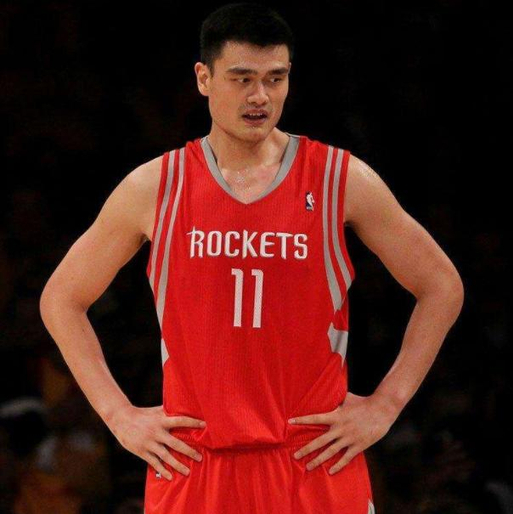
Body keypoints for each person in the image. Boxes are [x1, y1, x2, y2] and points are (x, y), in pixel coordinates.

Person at [39, 3, 464, 513]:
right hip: (194, 463)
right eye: (242, 79)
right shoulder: (155, 186)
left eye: (275, 79)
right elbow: (61, 299)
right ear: (204, 78)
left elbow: (441, 285)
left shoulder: (340, 178)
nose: (260, 96)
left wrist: (386, 405)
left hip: (312, 460)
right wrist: (118, 416)